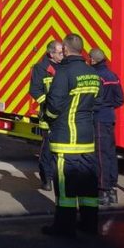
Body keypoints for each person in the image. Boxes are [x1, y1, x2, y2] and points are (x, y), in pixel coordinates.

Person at [42, 33, 102, 237]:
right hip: (87, 138)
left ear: (66, 50)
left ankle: (64, 227)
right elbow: (98, 102)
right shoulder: (92, 73)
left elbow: (54, 105)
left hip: (66, 138)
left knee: (65, 186)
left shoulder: (64, 72)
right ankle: (89, 224)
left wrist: (48, 119)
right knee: (88, 185)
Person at [90, 48, 124, 206]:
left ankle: (102, 190)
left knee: (100, 155)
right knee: (110, 154)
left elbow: (93, 100)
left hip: (99, 118)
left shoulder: (96, 77)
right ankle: (112, 189)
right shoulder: (112, 75)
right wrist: (108, 106)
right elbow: (120, 99)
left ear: (93, 60)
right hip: (109, 117)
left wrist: (98, 108)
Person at [28, 40, 63, 191]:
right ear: (51, 53)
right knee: (47, 150)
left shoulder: (64, 66)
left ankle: (58, 178)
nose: (63, 55)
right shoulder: (40, 68)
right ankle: (46, 179)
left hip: (63, 115)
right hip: (47, 116)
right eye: (60, 53)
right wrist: (48, 104)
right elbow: (34, 90)